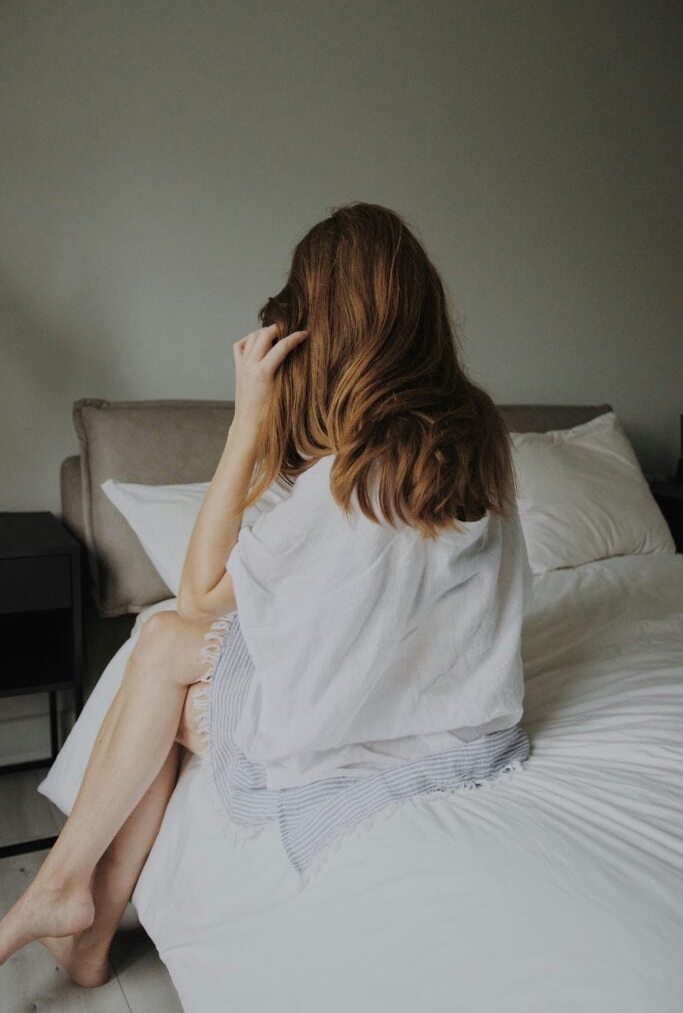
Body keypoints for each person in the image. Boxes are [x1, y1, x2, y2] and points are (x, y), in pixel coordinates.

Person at [0, 200, 528, 984]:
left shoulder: (354, 477)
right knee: (170, 663)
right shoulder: (474, 438)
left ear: (326, 327)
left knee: (162, 648)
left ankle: (65, 893)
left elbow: (197, 593)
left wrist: (246, 422)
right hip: (460, 719)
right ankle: (81, 920)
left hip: (373, 728)